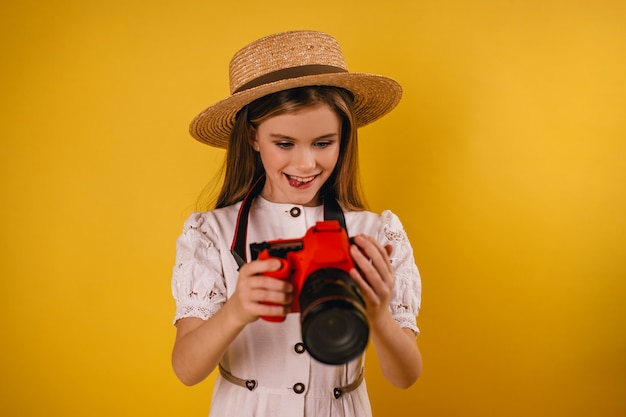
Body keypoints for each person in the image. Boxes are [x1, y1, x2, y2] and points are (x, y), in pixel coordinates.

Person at [171, 30, 422, 417]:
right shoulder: (212, 233)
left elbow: (406, 376)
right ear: (253, 137)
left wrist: (379, 313)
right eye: (284, 144)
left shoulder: (376, 233)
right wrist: (237, 309)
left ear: (344, 138)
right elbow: (186, 370)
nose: (306, 164)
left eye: (324, 143)